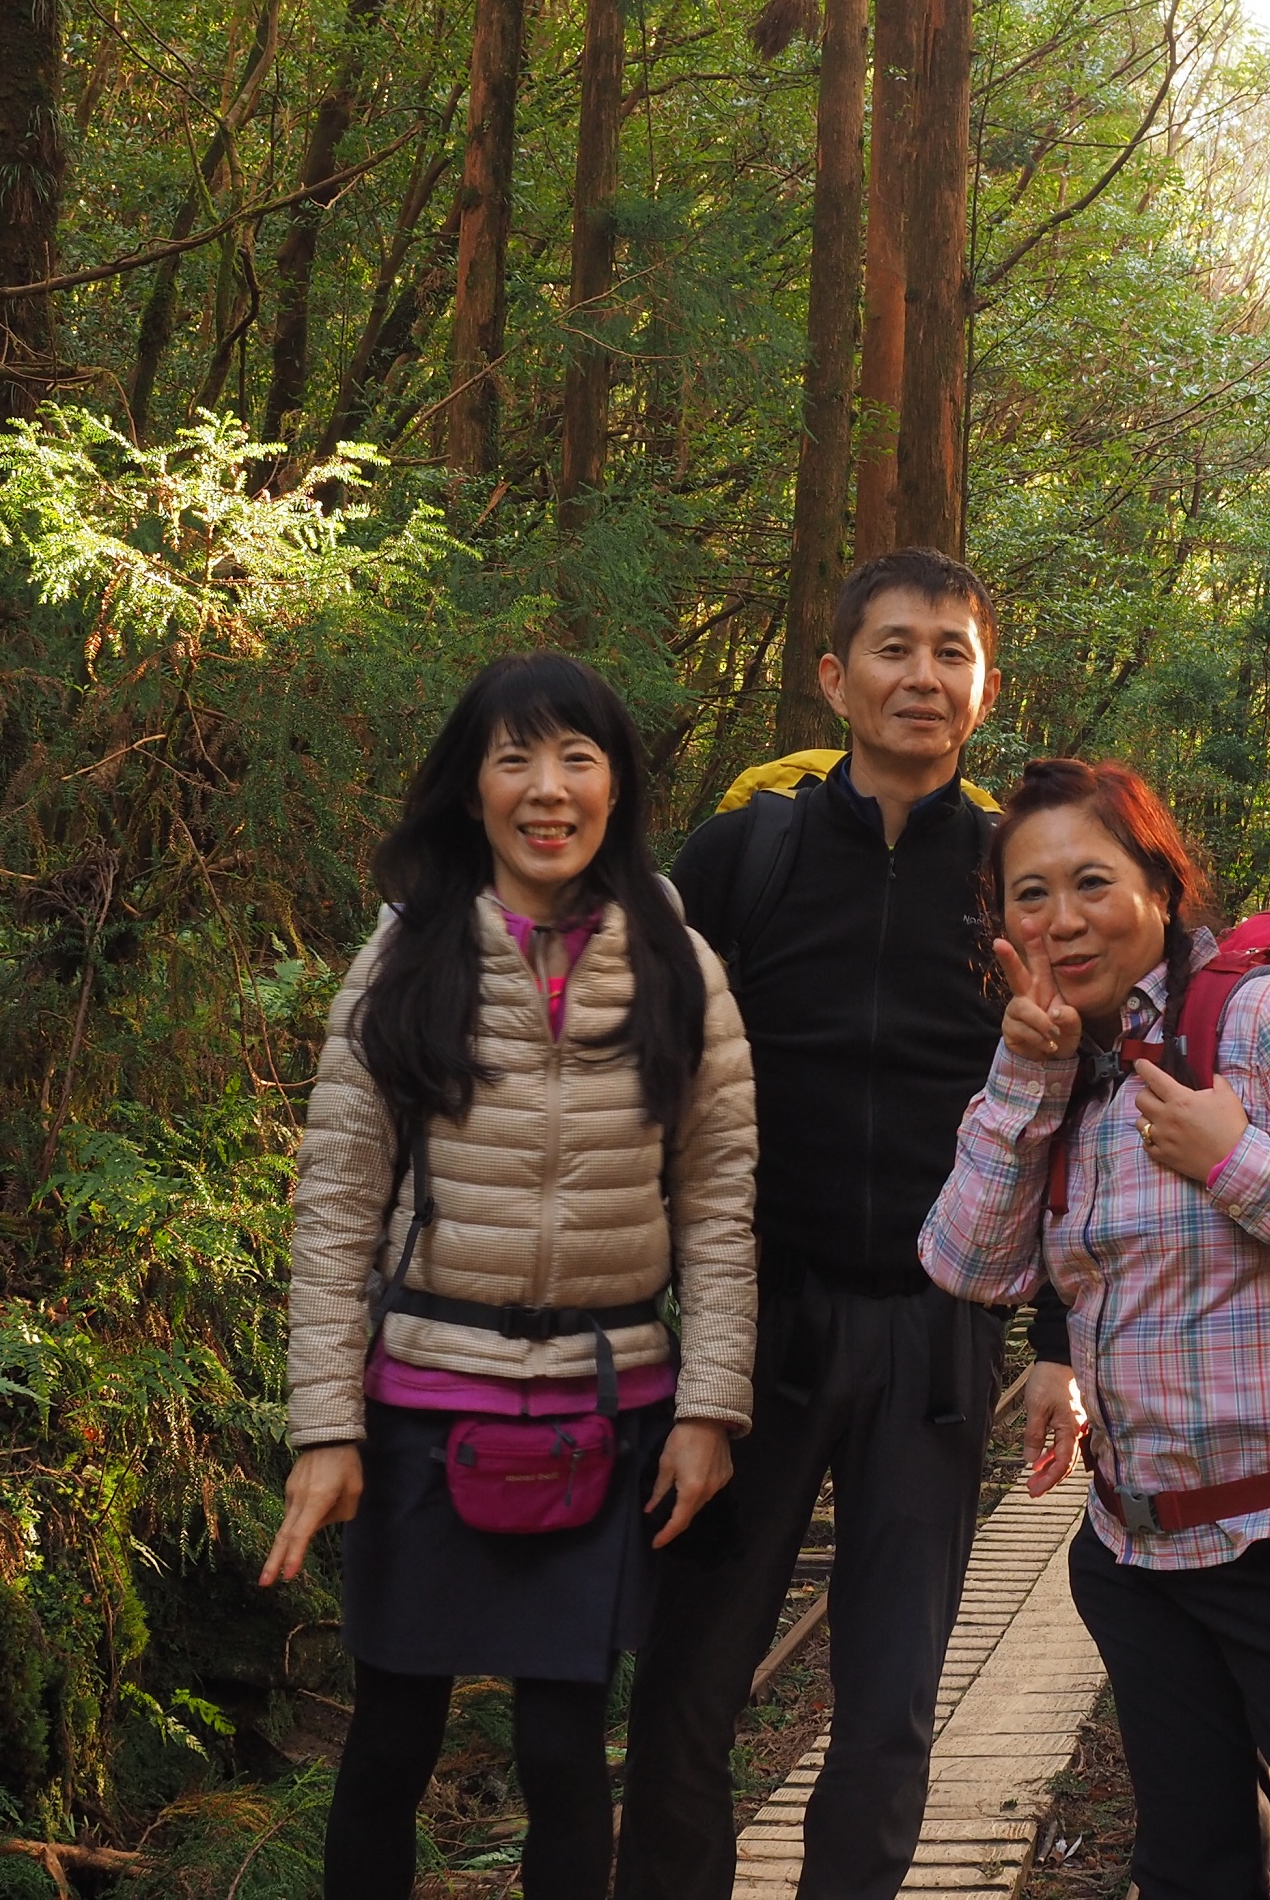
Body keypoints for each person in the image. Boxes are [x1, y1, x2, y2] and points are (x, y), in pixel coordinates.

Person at [260, 652, 760, 1900]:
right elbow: (334, 1207)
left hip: (607, 1408)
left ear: (618, 784)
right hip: (424, 1401)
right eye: (515, 757)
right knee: (388, 1743)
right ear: (471, 784)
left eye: (577, 758)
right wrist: (326, 1428)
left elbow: (718, 1207)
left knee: (562, 1754)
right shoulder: (407, 954)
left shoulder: (675, 962)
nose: (548, 789)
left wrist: (710, 1410)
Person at [921, 758, 1270, 1900]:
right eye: (1029, 894)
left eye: (1092, 882)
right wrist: (1025, 1073)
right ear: (999, 920)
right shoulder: (1056, 1061)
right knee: (1190, 1871)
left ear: (1161, 888)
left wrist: (1240, 1164)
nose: (1062, 920)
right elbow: (971, 1268)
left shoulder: (1266, 1019)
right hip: (1138, 1556)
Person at [617, 547, 1045, 1900]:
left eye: (951, 653)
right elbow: (646, 1063)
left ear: (983, 687)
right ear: (834, 676)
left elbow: (1078, 1102)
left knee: (893, 1687)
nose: (924, 675)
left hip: (941, 1324)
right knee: (691, 1672)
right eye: (895, 647)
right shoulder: (747, 849)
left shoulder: (1016, 874)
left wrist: (1072, 1335)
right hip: (760, 1314)